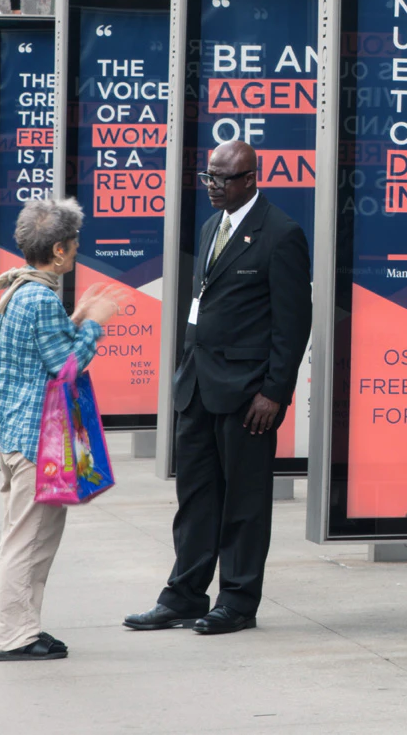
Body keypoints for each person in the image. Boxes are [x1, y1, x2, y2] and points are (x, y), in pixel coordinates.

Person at [125, 141, 310, 636]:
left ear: (250, 179)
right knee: (195, 498)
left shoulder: (281, 234)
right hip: (198, 387)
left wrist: (275, 392)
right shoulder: (212, 226)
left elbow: (293, 324)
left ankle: (237, 601)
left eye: (222, 178)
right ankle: (184, 595)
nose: (212, 186)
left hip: (248, 395)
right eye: (208, 176)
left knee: (244, 502)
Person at [0, 197, 120, 661]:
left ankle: (25, 628)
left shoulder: (21, 290)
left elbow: (41, 351)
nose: (78, 249)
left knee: (30, 539)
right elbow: (65, 367)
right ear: (59, 250)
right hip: (36, 440)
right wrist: (95, 326)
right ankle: (13, 637)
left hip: (18, 435)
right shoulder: (40, 297)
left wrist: (76, 319)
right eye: (75, 243)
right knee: (28, 543)